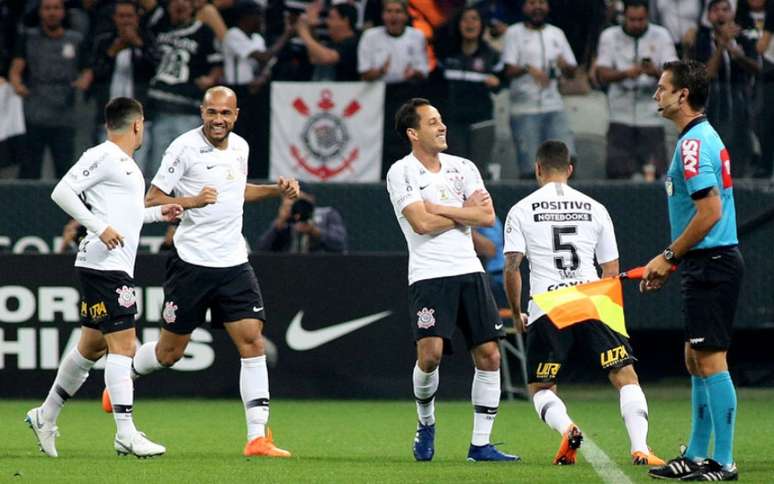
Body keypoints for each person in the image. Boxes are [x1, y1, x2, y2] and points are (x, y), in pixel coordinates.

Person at [102, 86, 299, 458]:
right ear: (201, 112)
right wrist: (191, 200)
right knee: (170, 352)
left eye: (225, 114)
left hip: (233, 263)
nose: (218, 120)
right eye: (212, 113)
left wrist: (276, 191)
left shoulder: (240, 147)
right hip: (191, 263)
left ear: (236, 115)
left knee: (253, 341)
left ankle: (258, 438)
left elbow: (236, 191)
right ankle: (123, 379)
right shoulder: (183, 147)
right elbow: (153, 198)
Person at [25, 97, 182, 458]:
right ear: (138, 124)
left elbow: (125, 216)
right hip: (104, 264)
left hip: (109, 263)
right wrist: (98, 226)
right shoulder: (104, 154)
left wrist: (160, 214)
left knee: (91, 346)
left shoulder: (125, 165)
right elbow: (61, 190)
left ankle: (44, 414)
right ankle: (126, 432)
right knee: (124, 345)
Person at [502, 139, 664, 467]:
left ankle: (567, 427)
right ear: (570, 169)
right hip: (593, 297)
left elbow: (512, 266)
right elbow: (611, 270)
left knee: (542, 387)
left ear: (538, 169)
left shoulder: (521, 209)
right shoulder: (595, 208)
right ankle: (641, 448)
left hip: (549, 302)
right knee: (625, 375)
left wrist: (518, 310)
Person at [386, 98, 518, 463]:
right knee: (430, 356)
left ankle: (481, 445)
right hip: (429, 274)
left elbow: (487, 215)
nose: (442, 127)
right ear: (413, 133)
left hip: (469, 271)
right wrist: (464, 214)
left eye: (441, 120)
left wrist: (442, 208)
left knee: (490, 356)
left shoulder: (463, 167)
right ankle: (426, 422)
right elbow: (420, 224)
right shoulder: (402, 172)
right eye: (432, 122)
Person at [643, 60, 743, 481]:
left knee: (711, 359)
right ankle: (697, 453)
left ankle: (724, 461)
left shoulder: (693, 144)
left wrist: (669, 256)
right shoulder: (698, 137)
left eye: (662, 87)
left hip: (711, 262)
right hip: (707, 262)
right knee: (694, 357)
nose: (656, 94)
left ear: (683, 95)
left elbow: (709, 212)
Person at [8, 0, 92, 179]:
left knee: (65, 171)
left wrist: (84, 80)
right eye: (47, 8)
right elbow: (16, 69)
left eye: (56, 8)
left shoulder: (75, 39)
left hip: (64, 114)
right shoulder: (28, 38)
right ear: (40, 12)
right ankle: (26, 207)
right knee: (30, 170)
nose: (52, 12)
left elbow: (87, 69)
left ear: (63, 12)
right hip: (34, 113)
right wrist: (17, 84)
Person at [596, 0, 677, 180]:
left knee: (656, 175)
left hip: (652, 117)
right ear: (624, 16)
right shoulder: (609, 36)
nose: (636, 24)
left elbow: (674, 74)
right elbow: (602, 72)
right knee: (618, 175)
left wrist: (654, 71)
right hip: (619, 116)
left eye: (641, 20)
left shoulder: (661, 35)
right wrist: (627, 73)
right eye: (632, 20)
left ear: (647, 17)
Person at [501, 0, 577, 179]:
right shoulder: (514, 33)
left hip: (554, 106)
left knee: (567, 159)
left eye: (542, 3)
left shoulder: (556, 33)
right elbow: (508, 70)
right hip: (524, 109)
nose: (537, 7)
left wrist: (564, 65)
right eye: (532, 3)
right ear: (524, 7)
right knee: (530, 166)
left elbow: (572, 70)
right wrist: (528, 68)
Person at [691, 0, 760, 178]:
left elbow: (757, 69)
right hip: (712, 105)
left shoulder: (744, 38)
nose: (721, 14)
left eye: (725, 10)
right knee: (713, 159)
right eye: (716, 10)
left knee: (739, 155)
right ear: (708, 16)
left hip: (740, 104)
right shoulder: (702, 40)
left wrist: (737, 54)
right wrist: (722, 45)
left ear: (732, 14)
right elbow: (705, 76)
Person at [257, 191, 348, 253]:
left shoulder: (327, 215)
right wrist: (278, 225)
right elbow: (261, 251)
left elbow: (340, 244)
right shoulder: (286, 223)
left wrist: (314, 232)